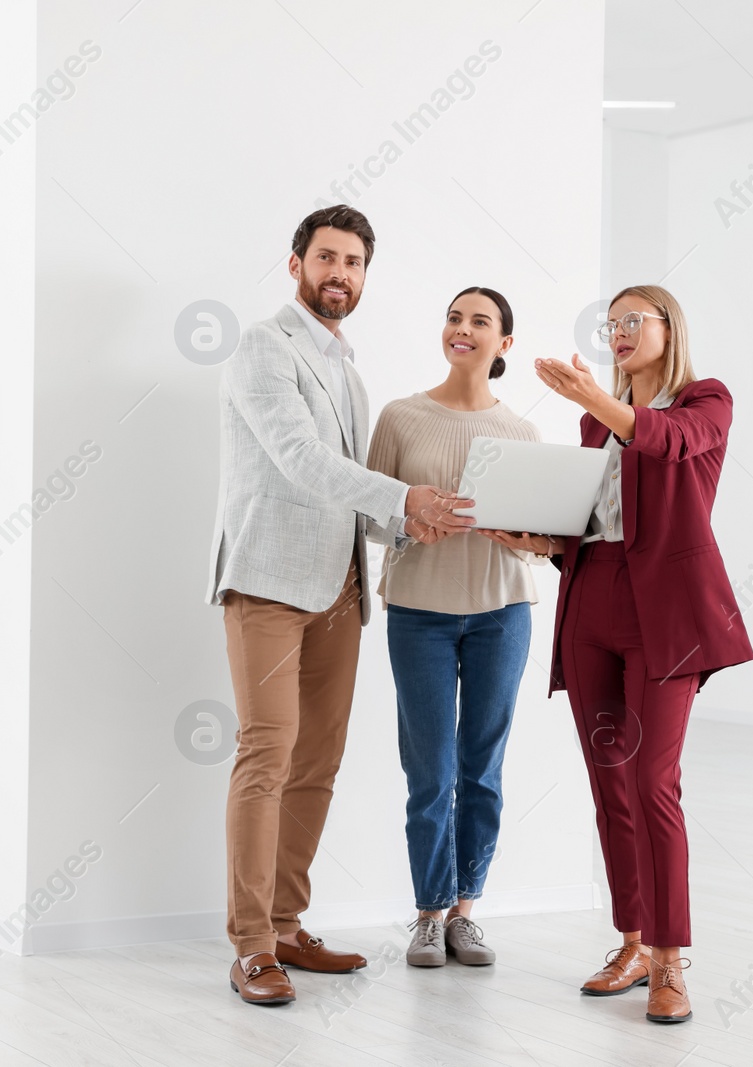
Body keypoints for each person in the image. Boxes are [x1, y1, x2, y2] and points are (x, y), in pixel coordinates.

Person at [206, 205, 475, 1007]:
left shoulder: (351, 373)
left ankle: (287, 924)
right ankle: (251, 945)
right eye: (327, 257)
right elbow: (300, 461)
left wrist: (422, 523)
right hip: (267, 582)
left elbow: (353, 499)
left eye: (354, 263)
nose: (340, 274)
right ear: (296, 264)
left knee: (316, 765)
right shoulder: (263, 345)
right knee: (268, 753)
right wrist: (408, 496)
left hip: (339, 589)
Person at [485, 284, 753, 1024]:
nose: (620, 333)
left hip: (665, 616)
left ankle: (670, 962)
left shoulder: (705, 402)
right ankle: (632, 942)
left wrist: (599, 403)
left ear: (671, 327)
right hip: (592, 601)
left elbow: (662, 443)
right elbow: (595, 522)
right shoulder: (592, 424)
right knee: (611, 782)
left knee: (653, 782)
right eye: (612, 325)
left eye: (634, 320)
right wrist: (537, 541)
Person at [366, 287, 546, 969]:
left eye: (480, 321)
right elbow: (370, 514)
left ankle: (466, 912)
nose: (462, 329)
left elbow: (538, 539)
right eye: (454, 317)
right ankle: (427, 913)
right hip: (419, 614)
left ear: (504, 343)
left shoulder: (522, 433)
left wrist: (517, 532)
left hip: (503, 612)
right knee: (430, 770)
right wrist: (414, 522)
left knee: (483, 767)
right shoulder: (401, 418)